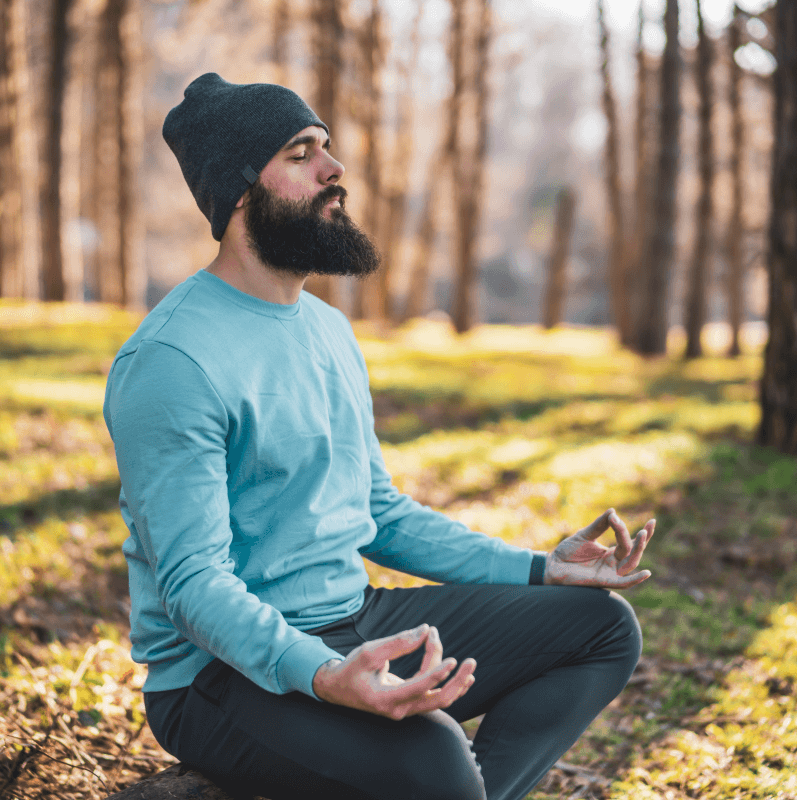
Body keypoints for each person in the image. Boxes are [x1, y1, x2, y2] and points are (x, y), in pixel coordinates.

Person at [103, 72, 657, 800]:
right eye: (301, 154)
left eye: (326, 147)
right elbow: (193, 584)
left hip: (352, 619)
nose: (334, 170)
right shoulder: (173, 360)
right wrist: (325, 675)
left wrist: (538, 570)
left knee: (601, 627)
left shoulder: (328, 329)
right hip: (217, 675)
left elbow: (376, 511)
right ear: (239, 191)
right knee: (436, 758)